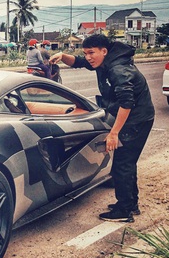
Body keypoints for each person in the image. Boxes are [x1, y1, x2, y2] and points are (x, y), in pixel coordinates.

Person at [50, 34, 155, 222]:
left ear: (104, 51)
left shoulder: (118, 69)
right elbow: (80, 62)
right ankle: (130, 204)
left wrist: (114, 133)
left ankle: (124, 211)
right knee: (126, 164)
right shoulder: (105, 61)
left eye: (92, 53)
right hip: (135, 117)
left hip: (136, 120)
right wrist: (62, 56)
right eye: (86, 52)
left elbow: (127, 103)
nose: (89, 57)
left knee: (122, 165)